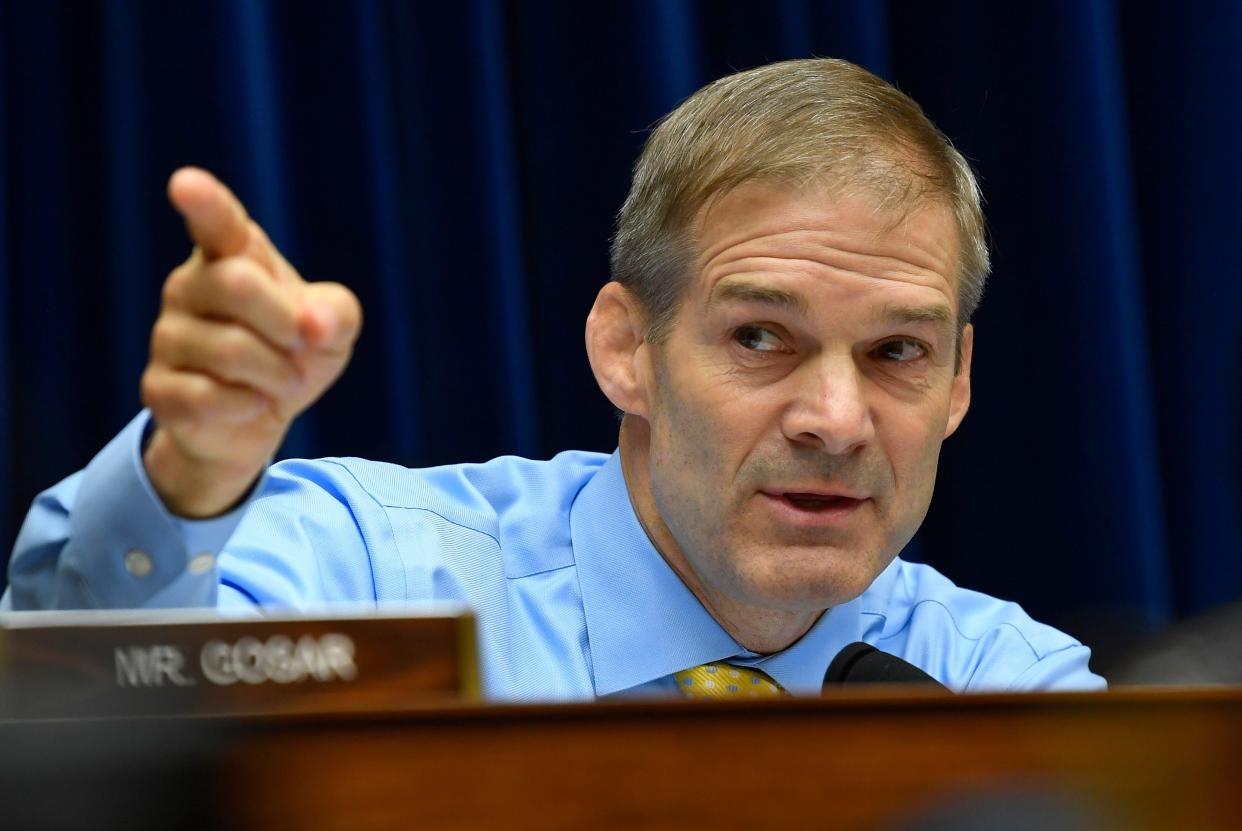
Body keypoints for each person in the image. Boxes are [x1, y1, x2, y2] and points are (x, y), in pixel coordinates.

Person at [4, 58, 1105, 698]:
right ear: (626, 348)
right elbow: (66, 712)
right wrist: (188, 476)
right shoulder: (377, 569)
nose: (834, 418)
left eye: (896, 352)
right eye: (762, 337)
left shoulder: (999, 683)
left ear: (957, 384)